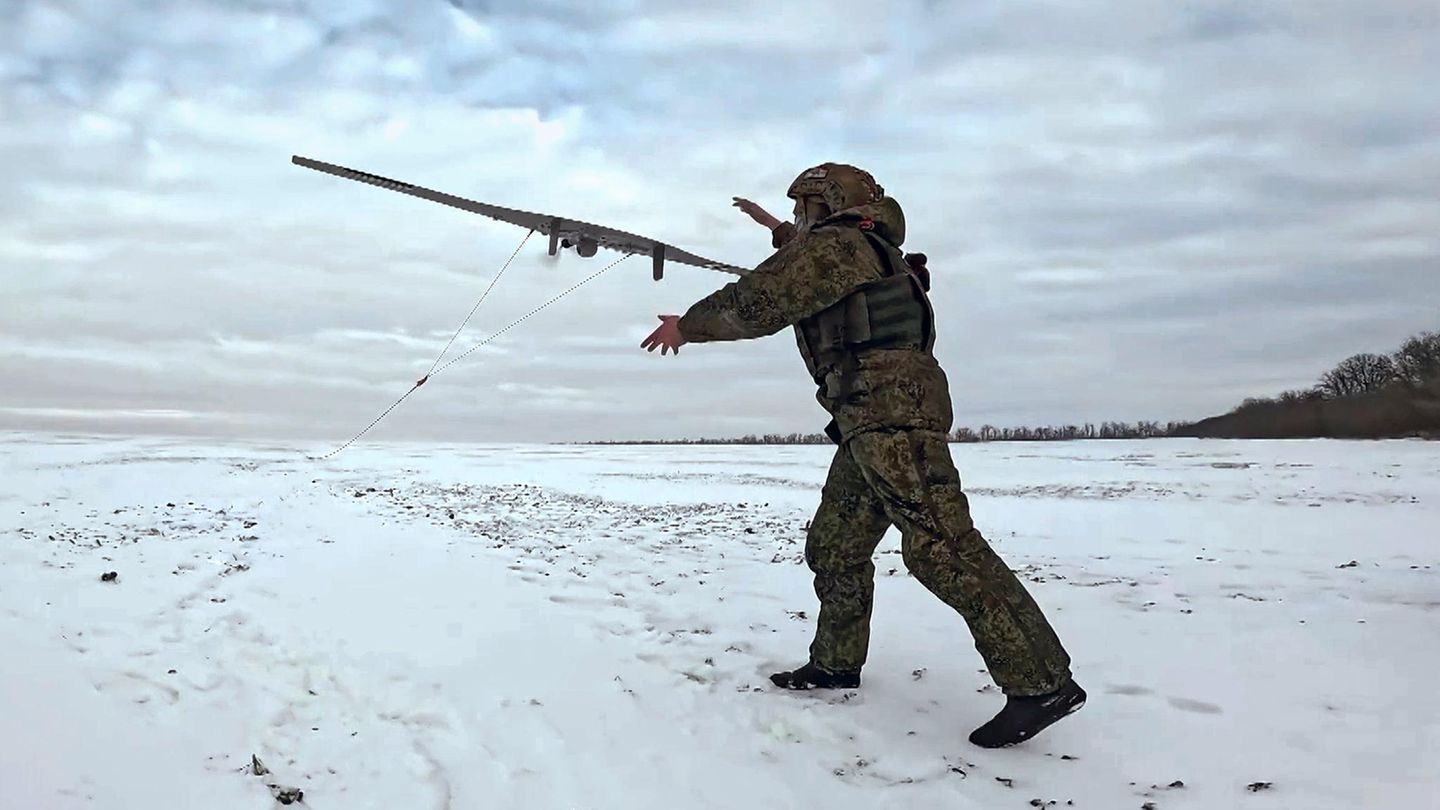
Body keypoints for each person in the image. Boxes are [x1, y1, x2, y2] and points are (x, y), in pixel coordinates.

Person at [640, 163, 1084, 748]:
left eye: (802, 210)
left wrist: (688, 326)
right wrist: (774, 226)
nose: (799, 221)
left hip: (889, 412)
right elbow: (802, 259)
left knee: (942, 548)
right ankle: (835, 664)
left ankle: (1042, 683)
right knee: (836, 546)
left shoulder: (840, 247)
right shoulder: (860, 245)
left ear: (826, 206)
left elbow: (761, 300)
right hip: (865, 417)